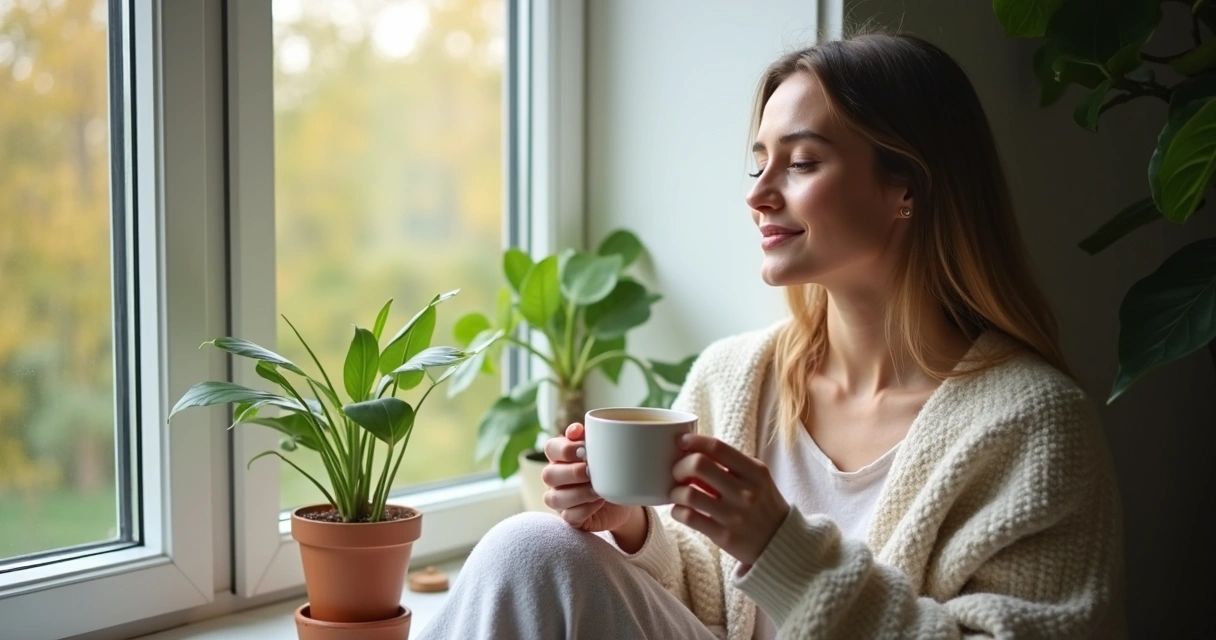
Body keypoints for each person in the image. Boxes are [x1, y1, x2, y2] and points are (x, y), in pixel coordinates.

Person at [418, 31, 1124, 640]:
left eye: (803, 162)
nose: (757, 193)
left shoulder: (1032, 424)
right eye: (759, 161)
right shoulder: (734, 376)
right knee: (530, 545)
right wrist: (629, 527)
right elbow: (710, 604)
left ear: (905, 186)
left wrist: (783, 550)